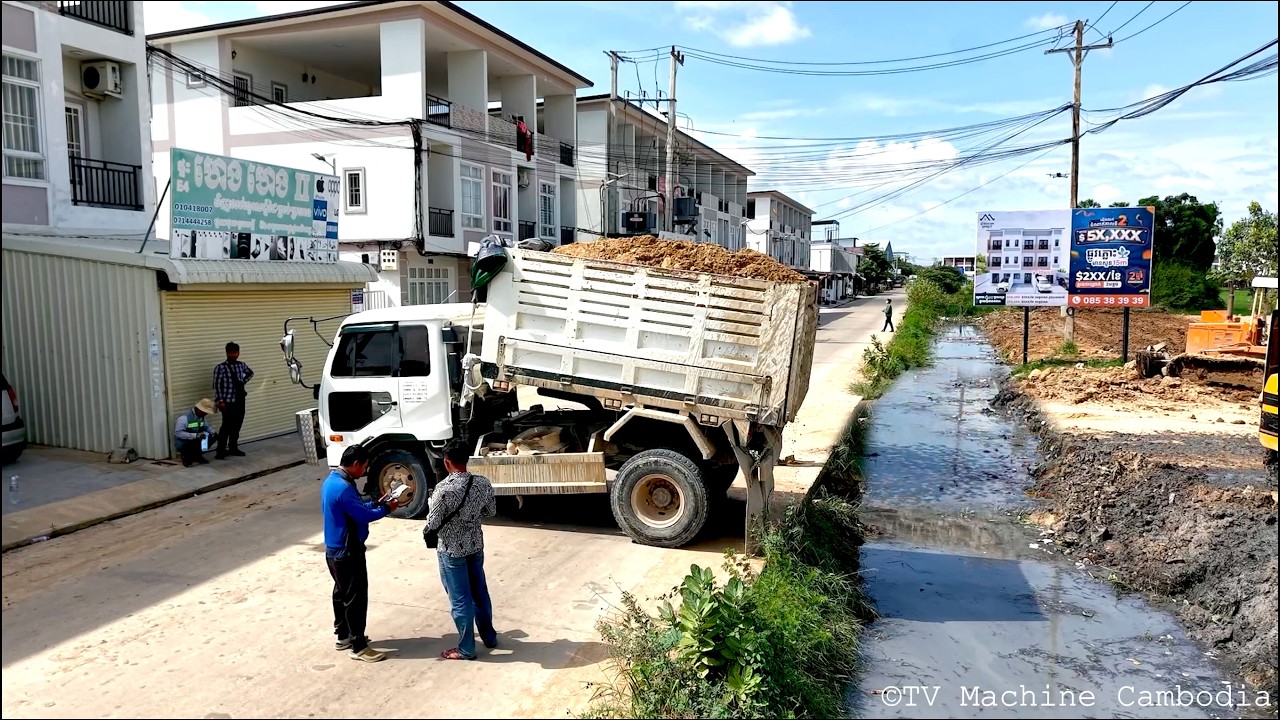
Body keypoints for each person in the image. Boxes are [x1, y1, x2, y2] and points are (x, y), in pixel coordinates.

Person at [321, 445, 399, 662]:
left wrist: (375, 503)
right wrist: (386, 508)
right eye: (364, 466)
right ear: (355, 464)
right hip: (348, 551)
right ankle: (359, 646)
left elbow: (354, 508)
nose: (364, 470)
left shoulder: (332, 481)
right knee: (355, 597)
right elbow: (363, 516)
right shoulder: (344, 488)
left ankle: (343, 635)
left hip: (334, 550)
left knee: (341, 593)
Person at [426, 442, 498, 661]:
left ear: (447, 462)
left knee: (460, 600)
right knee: (480, 593)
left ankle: (466, 648)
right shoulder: (482, 483)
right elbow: (491, 511)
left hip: (451, 550)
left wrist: (431, 503)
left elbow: (433, 521)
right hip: (475, 546)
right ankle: (489, 637)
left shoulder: (444, 489)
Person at [213, 342, 254, 459]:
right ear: (226, 353)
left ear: (238, 353)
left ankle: (233, 448)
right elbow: (216, 385)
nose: (233, 355)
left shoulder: (241, 365)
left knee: (237, 425)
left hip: (240, 400)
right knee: (226, 426)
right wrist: (220, 400)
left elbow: (250, 373)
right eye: (230, 353)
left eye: (235, 353)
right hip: (227, 401)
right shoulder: (220, 367)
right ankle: (220, 451)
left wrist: (243, 381)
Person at [174, 398, 217, 467]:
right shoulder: (184, 418)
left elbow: (206, 426)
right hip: (184, 443)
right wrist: (195, 435)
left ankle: (197, 455)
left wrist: (212, 432)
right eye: (204, 412)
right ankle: (186, 457)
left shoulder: (201, 416)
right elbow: (178, 433)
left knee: (214, 436)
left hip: (196, 439)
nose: (206, 414)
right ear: (198, 409)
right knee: (194, 440)